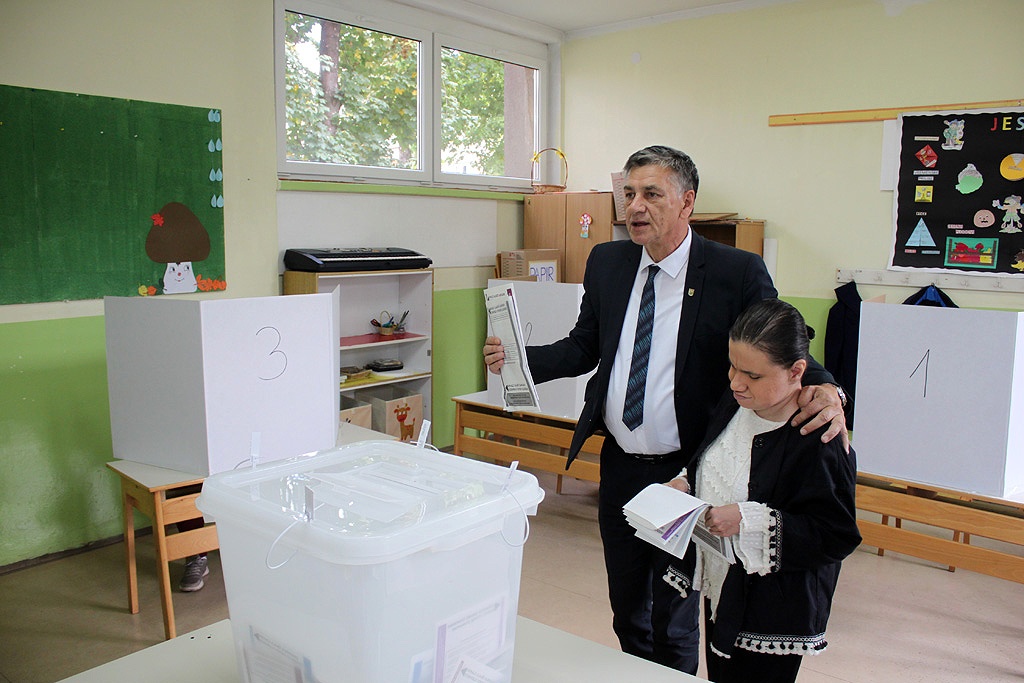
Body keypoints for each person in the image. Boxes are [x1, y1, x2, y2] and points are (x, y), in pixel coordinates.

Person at [482, 145, 848, 674]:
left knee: (674, 614)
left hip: (687, 470)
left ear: (687, 202)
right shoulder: (607, 262)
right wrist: (521, 360)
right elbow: (585, 345)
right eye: (628, 194)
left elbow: (782, 342)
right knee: (628, 608)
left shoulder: (735, 271)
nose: (635, 206)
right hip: (621, 464)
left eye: (651, 194)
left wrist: (830, 389)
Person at [665, 298, 860, 683]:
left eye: (752, 375)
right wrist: (685, 480)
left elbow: (836, 535)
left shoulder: (818, 437)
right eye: (732, 366)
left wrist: (750, 520)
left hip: (773, 609)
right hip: (725, 584)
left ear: (796, 372)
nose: (736, 382)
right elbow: (713, 454)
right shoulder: (738, 403)